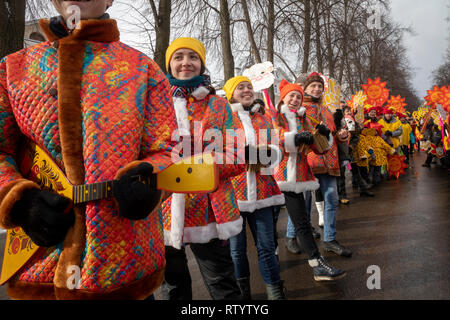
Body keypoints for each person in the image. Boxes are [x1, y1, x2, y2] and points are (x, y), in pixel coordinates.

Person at [0, 0, 178, 299]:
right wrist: (18, 200)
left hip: (125, 265)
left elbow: (169, 148)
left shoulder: (143, 68)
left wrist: (150, 180)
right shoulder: (11, 69)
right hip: (40, 266)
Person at [159, 37, 245, 300]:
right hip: (164, 208)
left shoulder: (218, 105)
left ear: (202, 64)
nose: (186, 62)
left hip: (210, 208)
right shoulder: (156, 104)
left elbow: (238, 152)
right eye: (179, 56)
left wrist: (205, 167)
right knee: (172, 287)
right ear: (170, 64)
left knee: (223, 285)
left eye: (193, 57)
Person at [272, 79, 346, 281]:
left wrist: (323, 136)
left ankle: (317, 264)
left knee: (302, 222)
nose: (295, 99)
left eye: (297, 96)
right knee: (269, 225)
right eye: (291, 96)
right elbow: (272, 139)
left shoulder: (305, 120)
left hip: (300, 176)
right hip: (278, 177)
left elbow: (320, 149)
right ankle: (271, 260)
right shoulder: (275, 117)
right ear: (283, 98)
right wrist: (293, 139)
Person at [223, 76, 286, 299]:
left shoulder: (263, 119)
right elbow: (219, 153)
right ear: (231, 93)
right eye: (241, 87)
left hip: (263, 192)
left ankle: (275, 292)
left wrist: (264, 152)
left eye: (249, 87)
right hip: (233, 195)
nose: (247, 90)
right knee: (236, 252)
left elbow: (277, 149)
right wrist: (241, 154)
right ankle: (243, 295)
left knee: (267, 247)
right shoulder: (224, 119)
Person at [300, 72, 352, 258]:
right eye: (313, 86)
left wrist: (340, 136)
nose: (316, 89)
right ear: (305, 88)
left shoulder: (327, 109)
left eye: (319, 86)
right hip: (309, 160)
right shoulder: (300, 107)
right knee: (303, 202)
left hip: (330, 160)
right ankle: (300, 235)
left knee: (331, 199)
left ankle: (330, 239)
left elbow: (331, 136)